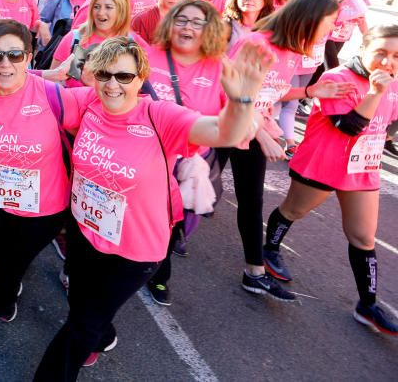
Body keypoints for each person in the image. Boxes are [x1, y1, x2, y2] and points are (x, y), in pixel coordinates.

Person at [33, 36, 272, 380]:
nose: (112, 84)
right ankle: (105, 335)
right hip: (86, 234)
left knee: (79, 327)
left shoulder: (160, 116)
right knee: (83, 310)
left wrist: (241, 99)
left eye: (124, 77)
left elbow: (222, 131)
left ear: (141, 78)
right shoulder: (87, 102)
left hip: (135, 250)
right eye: (104, 75)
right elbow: (40, 97)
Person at [263, 25, 398, 335]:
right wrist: (376, 93)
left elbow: (390, 123)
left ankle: (368, 304)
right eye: (381, 52)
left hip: (362, 169)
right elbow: (349, 126)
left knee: (364, 237)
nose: (388, 62)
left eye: (396, 56)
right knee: (293, 211)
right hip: (323, 164)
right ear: (363, 49)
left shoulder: (394, 84)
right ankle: (270, 248)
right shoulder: (336, 78)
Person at [220, 0, 351, 303]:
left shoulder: (292, 50)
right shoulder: (258, 44)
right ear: (309, 18)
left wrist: (310, 90)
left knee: (252, 200)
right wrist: (261, 134)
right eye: (330, 22)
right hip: (222, 123)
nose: (332, 29)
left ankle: (254, 273)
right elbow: (231, 92)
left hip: (253, 127)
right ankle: (153, 263)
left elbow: (270, 91)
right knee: (192, 193)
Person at [0, 20, 72, 358]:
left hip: (45, 208)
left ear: (29, 56)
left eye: (14, 54)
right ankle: (8, 291)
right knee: (5, 263)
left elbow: (112, 113)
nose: (5, 64)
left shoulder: (55, 96)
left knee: (11, 265)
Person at [141, 0, 229, 304]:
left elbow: (237, 114)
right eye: (181, 20)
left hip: (188, 164)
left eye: (196, 22)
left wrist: (262, 130)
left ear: (209, 29)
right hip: (143, 156)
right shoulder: (148, 55)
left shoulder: (220, 67)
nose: (187, 27)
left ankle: (158, 273)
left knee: (170, 222)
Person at [51, 0, 147, 84]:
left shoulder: (132, 42)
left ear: (121, 11)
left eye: (108, 7)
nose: (100, 12)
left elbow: (142, 82)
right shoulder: (76, 38)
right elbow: (53, 82)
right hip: (74, 98)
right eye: (96, 7)